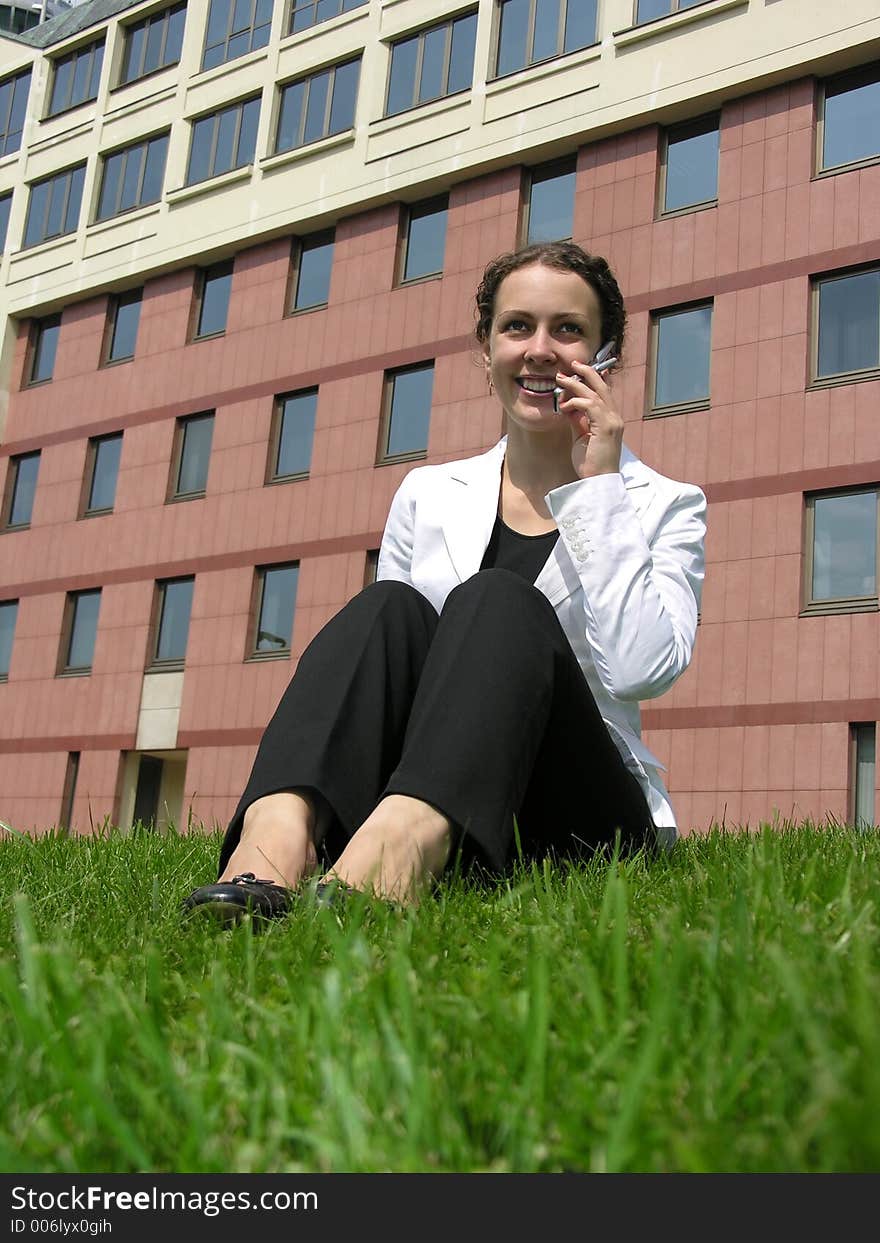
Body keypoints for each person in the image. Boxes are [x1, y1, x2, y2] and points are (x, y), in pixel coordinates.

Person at [183, 240, 706, 922]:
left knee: (497, 601)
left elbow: (642, 670)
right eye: (517, 326)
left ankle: (393, 861)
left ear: (607, 356)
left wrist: (601, 483)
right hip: (445, 798)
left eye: (568, 329)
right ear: (486, 348)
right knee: (386, 609)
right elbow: (396, 683)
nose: (540, 349)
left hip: (582, 812)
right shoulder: (427, 494)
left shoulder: (664, 503)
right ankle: (272, 846)